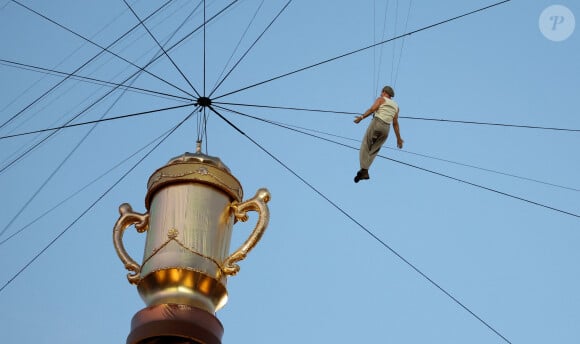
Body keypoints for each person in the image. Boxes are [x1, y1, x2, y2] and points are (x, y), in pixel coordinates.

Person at [353, 85, 404, 183]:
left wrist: (361, 117)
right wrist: (399, 138)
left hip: (377, 123)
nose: (381, 93)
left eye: (382, 92)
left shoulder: (381, 99)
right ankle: (364, 171)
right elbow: (395, 123)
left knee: (366, 144)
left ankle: (364, 170)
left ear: (385, 92)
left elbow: (372, 109)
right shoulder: (396, 107)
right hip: (386, 129)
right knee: (375, 149)